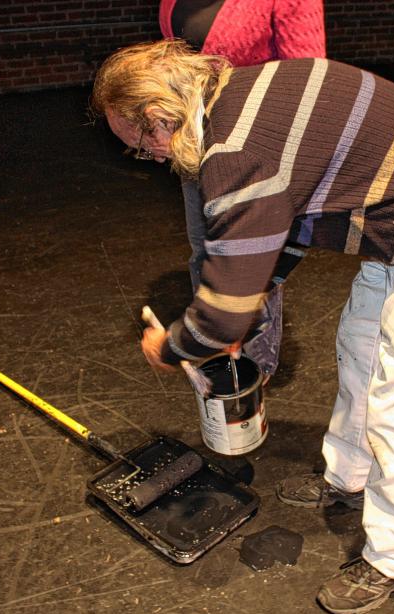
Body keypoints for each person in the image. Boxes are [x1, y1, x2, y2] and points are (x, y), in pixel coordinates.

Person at [91, 40, 394, 614]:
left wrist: (174, 345)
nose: (155, 160)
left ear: (162, 117)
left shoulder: (236, 153)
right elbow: (283, 227)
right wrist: (248, 297)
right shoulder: (237, 96)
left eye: (143, 147)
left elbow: (221, 312)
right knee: (360, 355)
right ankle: (348, 480)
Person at [160, 0, 327, 377]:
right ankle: (219, 353)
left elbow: (308, 76)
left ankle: (255, 366)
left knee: (251, 259)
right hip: (194, 140)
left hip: (252, 148)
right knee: (204, 248)